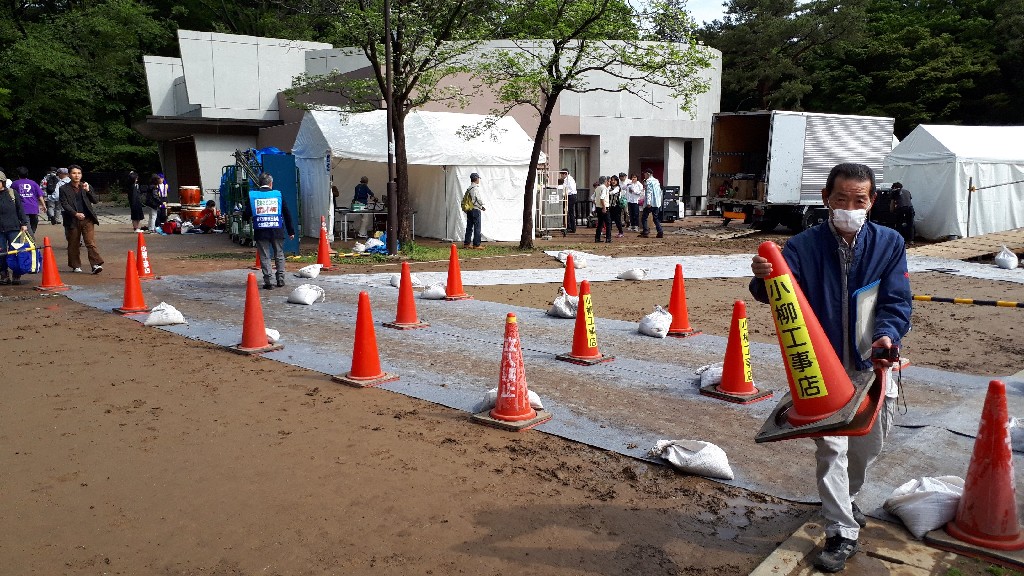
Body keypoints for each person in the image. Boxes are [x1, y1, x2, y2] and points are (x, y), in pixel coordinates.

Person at [749, 162, 911, 573]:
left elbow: (897, 300)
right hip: (823, 368)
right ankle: (841, 530)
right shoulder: (803, 246)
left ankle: (848, 497)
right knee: (831, 448)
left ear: (872, 201)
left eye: (859, 200)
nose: (850, 208)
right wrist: (762, 277)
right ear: (826, 198)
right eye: (841, 199)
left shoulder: (889, 243)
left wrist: (887, 335)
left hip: (872, 362)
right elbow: (775, 290)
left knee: (868, 444)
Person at [244, 173, 294, 289]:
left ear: (259, 183)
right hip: (277, 229)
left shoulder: (253, 196)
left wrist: (246, 218)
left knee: (265, 256)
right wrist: (291, 231)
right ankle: (280, 280)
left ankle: (268, 282)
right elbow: (287, 213)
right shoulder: (278, 194)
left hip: (261, 230)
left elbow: (246, 214)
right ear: (271, 183)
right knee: (279, 254)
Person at [58, 165, 104, 274]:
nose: (77, 175)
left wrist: (88, 190)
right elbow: (64, 204)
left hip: (87, 219)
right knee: (73, 243)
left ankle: (95, 264)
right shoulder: (63, 188)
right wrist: (75, 214)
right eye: (74, 173)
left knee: (90, 242)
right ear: (69, 175)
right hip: (72, 220)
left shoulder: (85, 186)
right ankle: (75, 265)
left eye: (79, 173)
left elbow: (95, 200)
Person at [0, 172, 30, 285]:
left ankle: (17, 274)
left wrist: (24, 223)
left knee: (16, 251)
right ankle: (4, 274)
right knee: (1, 252)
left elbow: (20, 209)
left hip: (14, 228)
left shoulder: (12, 193)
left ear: (3, 182)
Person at [13, 167, 47, 234]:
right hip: (33, 207)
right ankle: (31, 238)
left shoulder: (14, 184)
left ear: (18, 175)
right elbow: (40, 195)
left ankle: (31, 238)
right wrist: (44, 205)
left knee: (29, 227)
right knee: (32, 225)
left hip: (23, 208)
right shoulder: (33, 183)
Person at [462, 172, 486, 249]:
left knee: (469, 227)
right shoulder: (475, 188)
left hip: (469, 209)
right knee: (477, 227)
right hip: (475, 210)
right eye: (478, 178)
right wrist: (482, 205)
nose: (479, 180)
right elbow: (477, 199)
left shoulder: (469, 188)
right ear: (476, 179)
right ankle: (476, 244)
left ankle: (467, 243)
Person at [638, 169, 664, 238]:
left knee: (644, 217)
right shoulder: (656, 181)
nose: (644, 175)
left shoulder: (649, 181)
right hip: (656, 203)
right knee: (655, 218)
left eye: (645, 174)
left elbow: (649, 192)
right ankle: (660, 231)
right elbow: (659, 192)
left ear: (648, 174)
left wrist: (648, 202)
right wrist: (659, 202)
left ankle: (645, 231)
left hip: (650, 203)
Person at [592, 176, 611, 243]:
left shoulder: (597, 188)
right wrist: (604, 207)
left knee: (600, 223)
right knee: (608, 223)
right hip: (604, 207)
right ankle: (608, 238)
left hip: (598, 207)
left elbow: (592, 198)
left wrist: (597, 204)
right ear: (605, 181)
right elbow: (602, 198)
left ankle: (597, 238)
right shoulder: (604, 188)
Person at [560, 168, 577, 233]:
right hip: (569, 196)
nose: (561, 176)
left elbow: (571, 189)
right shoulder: (566, 180)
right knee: (567, 211)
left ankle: (571, 227)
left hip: (571, 196)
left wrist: (564, 193)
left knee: (570, 212)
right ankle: (568, 226)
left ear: (565, 174)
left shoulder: (569, 179)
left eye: (562, 174)